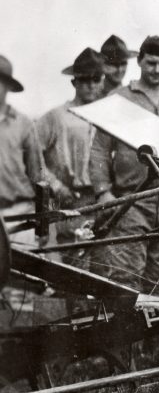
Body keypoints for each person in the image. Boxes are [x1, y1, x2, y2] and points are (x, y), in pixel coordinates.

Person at [90, 36, 159, 296]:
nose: (156, 70)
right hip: (131, 202)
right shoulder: (118, 99)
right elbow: (98, 148)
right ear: (140, 60)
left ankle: (152, 337)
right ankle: (124, 337)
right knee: (125, 280)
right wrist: (103, 192)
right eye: (151, 63)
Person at [35, 48, 106, 264]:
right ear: (74, 83)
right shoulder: (57, 117)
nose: (91, 85)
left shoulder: (108, 116)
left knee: (102, 263)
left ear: (102, 80)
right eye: (84, 80)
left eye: (95, 79)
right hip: (69, 199)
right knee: (72, 263)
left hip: (102, 199)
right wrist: (55, 185)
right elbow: (31, 156)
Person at [0, 55, 45, 247]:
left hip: (18, 215)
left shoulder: (23, 124)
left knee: (23, 274)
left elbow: (39, 176)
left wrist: (44, 225)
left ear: (7, 86)